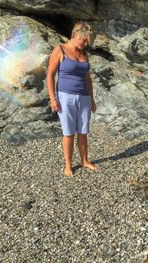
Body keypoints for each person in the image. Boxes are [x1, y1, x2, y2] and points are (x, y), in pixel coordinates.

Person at [46, 22, 98, 176]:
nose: (86, 44)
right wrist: (53, 98)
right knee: (69, 132)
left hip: (84, 98)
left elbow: (88, 79)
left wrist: (92, 99)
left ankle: (84, 160)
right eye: (84, 40)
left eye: (88, 41)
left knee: (83, 131)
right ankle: (68, 165)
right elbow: (50, 75)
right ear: (76, 35)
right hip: (65, 96)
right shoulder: (60, 50)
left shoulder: (84, 54)